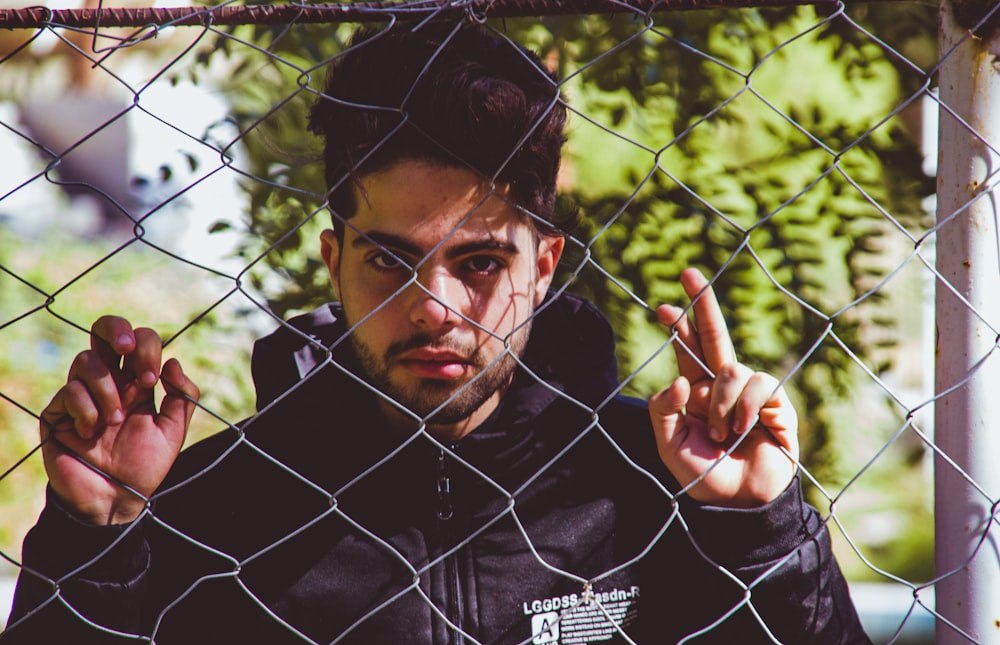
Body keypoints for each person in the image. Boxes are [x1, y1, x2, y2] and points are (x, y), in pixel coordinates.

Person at [4, 19, 871, 645]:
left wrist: (759, 528)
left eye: (484, 262)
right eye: (389, 260)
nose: (435, 308)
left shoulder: (654, 490)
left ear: (546, 263)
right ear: (334, 261)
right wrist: (94, 539)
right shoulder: (215, 508)